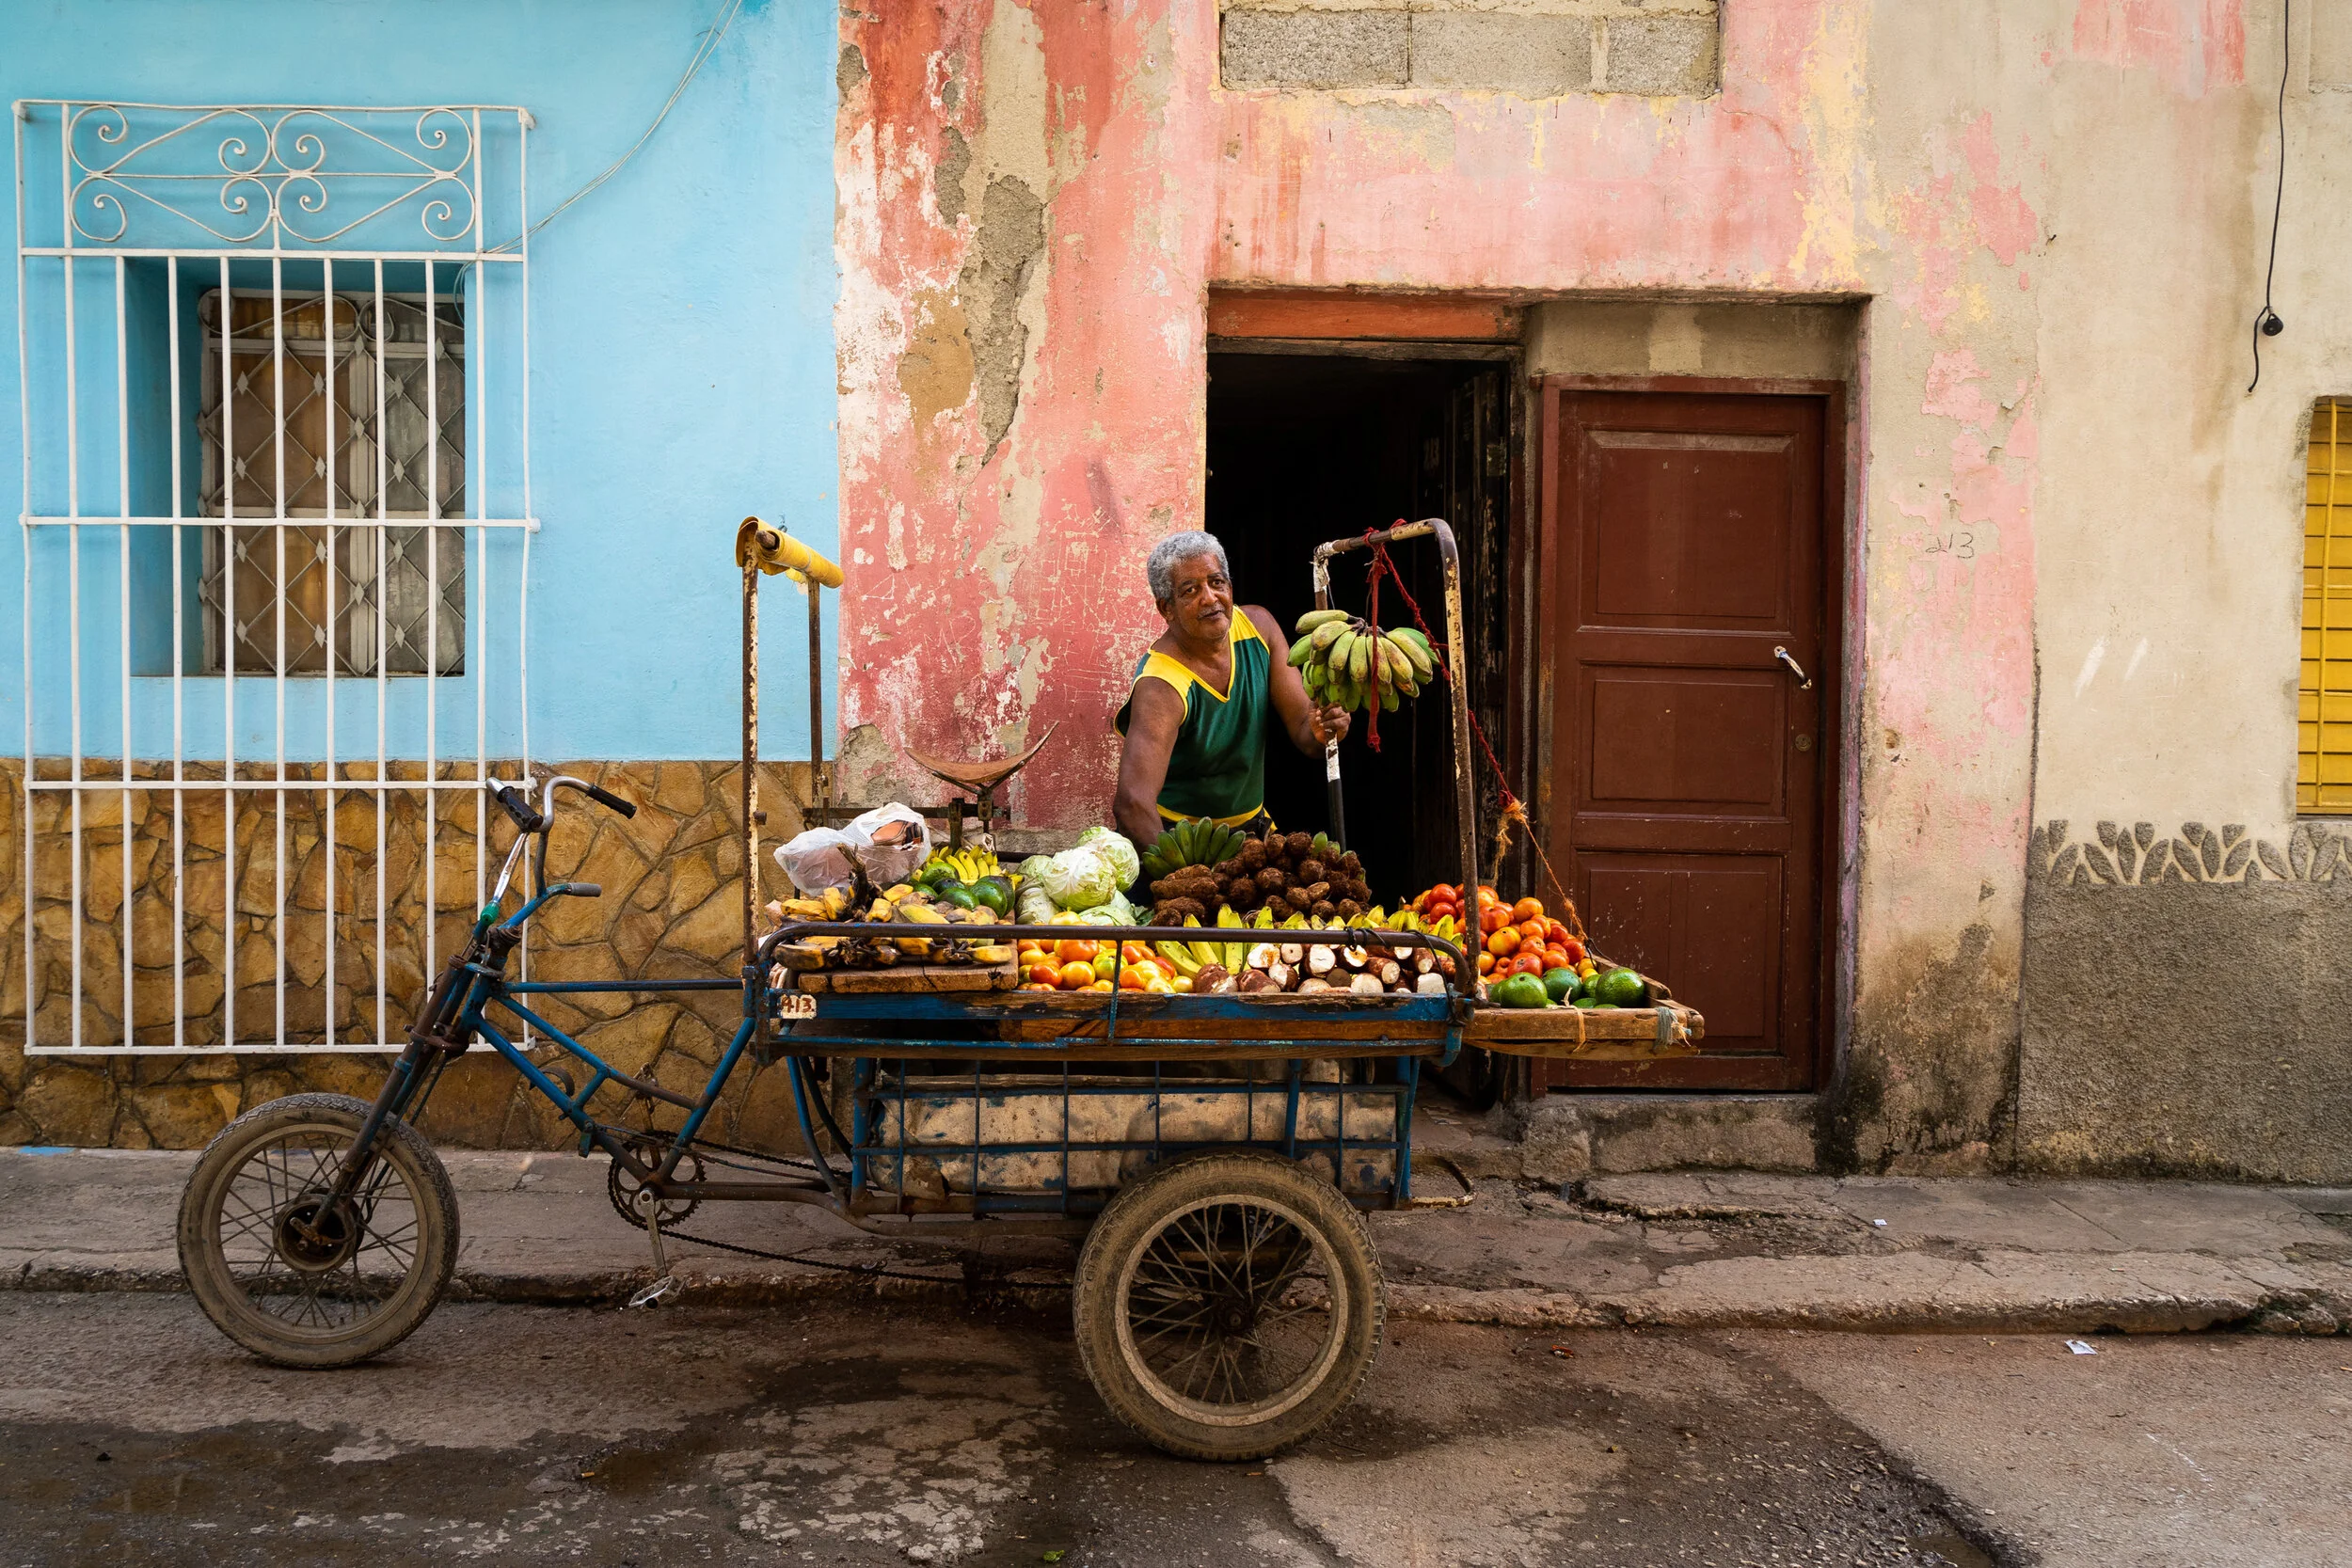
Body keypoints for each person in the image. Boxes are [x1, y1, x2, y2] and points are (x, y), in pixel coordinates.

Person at [1114, 531, 1349, 851]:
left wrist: (1324, 729)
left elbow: (1305, 733)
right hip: (1180, 838)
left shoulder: (1259, 629)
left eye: (1217, 582)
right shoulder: (1162, 683)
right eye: (1190, 590)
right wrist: (1181, 874)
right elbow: (1132, 804)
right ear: (1166, 608)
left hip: (1252, 832)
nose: (1210, 598)